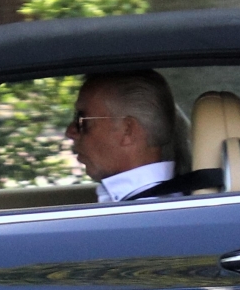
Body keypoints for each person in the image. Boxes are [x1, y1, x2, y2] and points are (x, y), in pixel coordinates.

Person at [66, 71, 213, 201]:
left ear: (127, 131)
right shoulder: (164, 206)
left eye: (81, 120)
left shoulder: (148, 214)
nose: (70, 132)